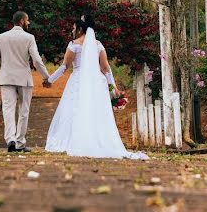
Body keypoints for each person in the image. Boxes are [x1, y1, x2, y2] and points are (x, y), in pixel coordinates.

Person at [44, 14, 147, 159]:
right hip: (97, 83)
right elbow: (105, 68)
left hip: (78, 82)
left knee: (74, 110)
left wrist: (50, 80)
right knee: (95, 111)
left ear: (80, 29)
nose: (72, 30)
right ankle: (97, 140)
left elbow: (64, 67)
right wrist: (114, 88)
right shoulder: (98, 45)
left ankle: (72, 140)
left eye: (74, 28)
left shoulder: (74, 45)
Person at [0, 10, 51, 152]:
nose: (28, 23)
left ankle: (10, 139)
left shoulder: (2, 37)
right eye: (27, 20)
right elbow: (36, 60)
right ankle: (19, 143)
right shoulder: (29, 37)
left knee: (8, 109)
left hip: (6, 78)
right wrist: (46, 77)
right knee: (24, 110)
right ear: (22, 21)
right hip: (24, 79)